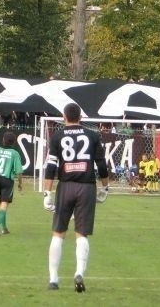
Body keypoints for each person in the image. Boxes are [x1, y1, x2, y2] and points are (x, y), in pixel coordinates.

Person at [42, 103, 109, 292]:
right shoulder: (93, 136)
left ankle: (53, 279)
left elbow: (51, 167)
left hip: (65, 186)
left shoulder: (57, 136)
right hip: (87, 187)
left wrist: (47, 192)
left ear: (64, 117)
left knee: (58, 233)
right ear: (80, 117)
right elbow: (101, 164)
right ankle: (79, 272)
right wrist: (105, 186)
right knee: (82, 233)